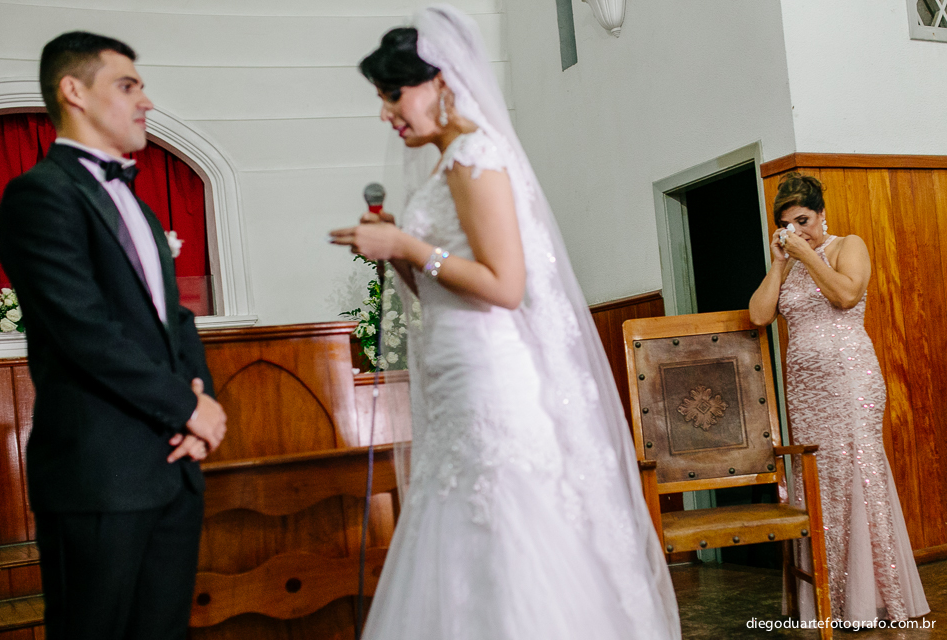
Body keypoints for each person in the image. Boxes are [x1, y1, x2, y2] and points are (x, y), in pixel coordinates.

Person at [330, 7, 680, 639]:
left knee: (507, 521)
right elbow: (442, 283)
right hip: (454, 372)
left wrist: (409, 248)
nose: (386, 113)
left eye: (392, 95)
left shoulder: (474, 154)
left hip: (492, 375)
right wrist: (394, 252)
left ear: (439, 80)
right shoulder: (443, 164)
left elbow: (505, 286)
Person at [0, 31, 227, 640]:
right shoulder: (37, 196)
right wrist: (187, 408)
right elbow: (83, 330)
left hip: (173, 466)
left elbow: (172, 317)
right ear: (73, 91)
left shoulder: (140, 205)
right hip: (99, 475)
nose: (145, 100)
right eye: (128, 85)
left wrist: (202, 402)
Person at [749, 173, 929, 624]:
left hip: (850, 382)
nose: (798, 231)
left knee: (857, 474)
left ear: (822, 214)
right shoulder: (787, 263)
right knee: (817, 481)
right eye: (788, 225)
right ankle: (830, 602)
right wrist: (778, 264)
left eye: (804, 220)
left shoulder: (849, 244)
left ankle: (876, 599)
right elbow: (758, 315)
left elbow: (847, 295)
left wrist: (809, 255)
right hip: (806, 392)